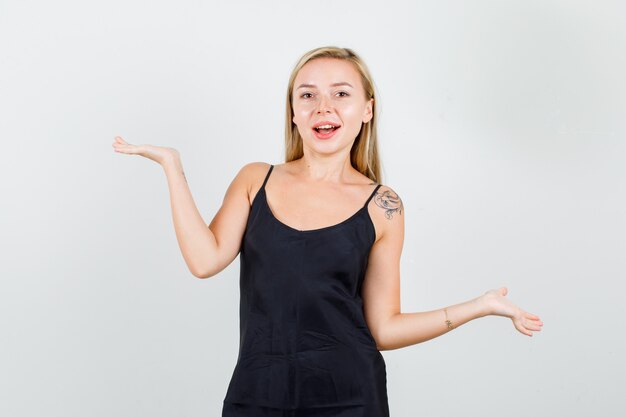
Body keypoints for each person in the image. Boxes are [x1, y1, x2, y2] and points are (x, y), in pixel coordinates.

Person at [112, 46, 543, 417]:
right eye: (308, 95)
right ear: (294, 112)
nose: (324, 107)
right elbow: (204, 261)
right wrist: (172, 165)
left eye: (341, 93)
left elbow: (384, 328)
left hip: (351, 399)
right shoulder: (255, 179)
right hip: (257, 396)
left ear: (367, 110)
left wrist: (479, 306)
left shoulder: (383, 205)